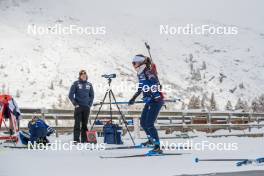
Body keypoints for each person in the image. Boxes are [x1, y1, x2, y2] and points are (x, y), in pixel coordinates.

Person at [129, 54, 164, 154]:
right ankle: (151, 141)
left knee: (149, 124)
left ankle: (157, 147)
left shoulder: (148, 72)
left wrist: (155, 96)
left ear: (140, 63)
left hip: (156, 101)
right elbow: (141, 87)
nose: (133, 65)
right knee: (143, 123)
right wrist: (133, 98)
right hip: (149, 101)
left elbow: (155, 84)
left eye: (134, 63)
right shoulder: (140, 74)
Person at [68, 70, 94, 143]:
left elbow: (92, 96)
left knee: (84, 124)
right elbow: (70, 95)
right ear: (80, 76)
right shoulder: (75, 83)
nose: (83, 76)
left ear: (86, 75)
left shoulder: (89, 84)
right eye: (82, 75)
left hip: (86, 107)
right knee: (77, 124)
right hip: (78, 107)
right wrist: (75, 104)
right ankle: (76, 139)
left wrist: (89, 105)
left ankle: (84, 139)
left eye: (84, 74)